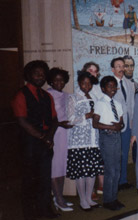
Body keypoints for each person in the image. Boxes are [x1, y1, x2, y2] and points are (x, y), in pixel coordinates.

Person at [12, 60, 60, 219]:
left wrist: (49, 137)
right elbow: (22, 121)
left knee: (45, 179)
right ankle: (30, 214)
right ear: (29, 75)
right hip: (29, 144)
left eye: (43, 74)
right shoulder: (21, 94)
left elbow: (55, 119)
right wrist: (42, 137)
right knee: (30, 180)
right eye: (37, 73)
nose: (40, 76)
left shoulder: (47, 96)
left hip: (46, 143)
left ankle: (45, 211)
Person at [66, 72, 103, 211]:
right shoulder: (73, 97)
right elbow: (70, 118)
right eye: (83, 83)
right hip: (79, 141)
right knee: (81, 171)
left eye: (89, 83)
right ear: (79, 83)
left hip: (93, 139)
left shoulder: (94, 97)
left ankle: (89, 198)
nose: (86, 86)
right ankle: (82, 200)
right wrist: (87, 115)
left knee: (92, 171)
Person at [92, 76, 125, 211]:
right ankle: (107, 200)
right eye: (109, 87)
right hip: (107, 137)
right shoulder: (100, 103)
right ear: (103, 88)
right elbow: (95, 123)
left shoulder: (117, 104)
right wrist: (112, 127)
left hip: (117, 137)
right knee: (110, 170)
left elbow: (121, 122)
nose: (112, 89)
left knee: (117, 170)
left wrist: (119, 126)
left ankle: (114, 197)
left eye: (114, 87)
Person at [46, 68, 74, 212]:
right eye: (56, 80)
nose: (59, 82)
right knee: (55, 168)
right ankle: (58, 199)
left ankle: (60, 197)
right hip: (54, 134)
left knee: (62, 167)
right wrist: (59, 124)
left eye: (62, 80)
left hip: (65, 135)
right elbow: (45, 118)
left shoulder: (67, 95)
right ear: (50, 80)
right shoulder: (47, 95)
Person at [109, 58, 135, 191]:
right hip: (114, 125)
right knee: (115, 155)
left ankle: (123, 180)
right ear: (113, 69)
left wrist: (132, 123)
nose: (121, 68)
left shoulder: (129, 83)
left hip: (127, 125)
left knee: (124, 153)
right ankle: (114, 181)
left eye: (122, 66)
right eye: (117, 66)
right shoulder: (109, 84)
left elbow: (131, 105)